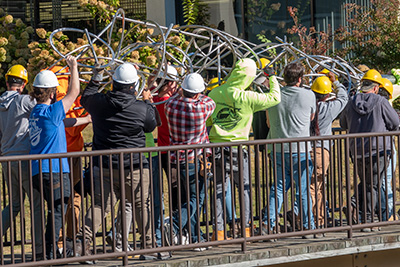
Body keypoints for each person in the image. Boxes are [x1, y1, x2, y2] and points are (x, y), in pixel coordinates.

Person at [77, 63, 159, 259]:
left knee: (99, 206)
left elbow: (85, 98)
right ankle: (148, 246)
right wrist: (148, 102)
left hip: (103, 164)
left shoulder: (99, 102)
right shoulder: (141, 108)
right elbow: (151, 126)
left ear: (113, 83)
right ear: (133, 86)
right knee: (141, 205)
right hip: (135, 165)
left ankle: (82, 244)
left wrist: (96, 77)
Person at [208, 58, 280, 240]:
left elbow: (208, 120)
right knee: (245, 189)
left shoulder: (215, 93)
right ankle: (246, 228)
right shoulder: (247, 97)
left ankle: (219, 231)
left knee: (218, 189)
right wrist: (271, 77)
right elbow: (275, 97)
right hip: (238, 148)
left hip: (216, 146)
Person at [29, 56, 88, 259]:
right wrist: (73, 67)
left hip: (38, 171)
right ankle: (51, 251)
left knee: (54, 210)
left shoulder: (37, 112)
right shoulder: (52, 110)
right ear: (53, 93)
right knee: (58, 211)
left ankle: (50, 249)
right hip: (53, 170)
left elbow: (62, 123)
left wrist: (86, 119)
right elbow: (75, 92)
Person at [340, 69, 399, 231]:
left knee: (369, 184)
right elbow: (395, 122)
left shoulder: (351, 101)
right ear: (376, 87)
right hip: (378, 150)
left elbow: (343, 124)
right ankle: (369, 220)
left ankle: (379, 215)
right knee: (372, 186)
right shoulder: (381, 101)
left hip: (357, 150)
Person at [262, 62, 316, 236]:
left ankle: (268, 223)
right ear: (300, 79)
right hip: (300, 149)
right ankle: (308, 225)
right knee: (302, 190)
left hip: (277, 147)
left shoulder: (274, 96)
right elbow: (311, 117)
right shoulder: (309, 95)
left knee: (277, 188)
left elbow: (268, 122)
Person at [164, 73, 215, 248]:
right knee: (196, 199)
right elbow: (210, 101)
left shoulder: (170, 105)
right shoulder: (201, 108)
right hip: (195, 159)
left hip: (176, 158)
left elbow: (178, 96)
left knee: (188, 199)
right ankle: (174, 224)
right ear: (197, 93)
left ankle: (195, 237)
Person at [0, 65, 43, 257]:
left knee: (15, 204)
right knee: (36, 204)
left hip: (7, 159)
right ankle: (39, 250)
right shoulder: (24, 100)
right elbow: (45, 110)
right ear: (24, 84)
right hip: (24, 158)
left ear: (8, 82)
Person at [50, 65, 90, 248]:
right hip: (68, 153)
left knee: (64, 198)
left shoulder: (55, 83)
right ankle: (66, 239)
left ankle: (65, 239)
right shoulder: (64, 99)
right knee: (68, 198)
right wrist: (88, 117)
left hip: (65, 153)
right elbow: (72, 128)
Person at [309, 74, 348, 229]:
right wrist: (336, 82)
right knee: (315, 187)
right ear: (327, 94)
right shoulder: (329, 108)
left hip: (305, 148)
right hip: (320, 150)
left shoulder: (307, 106)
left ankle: (316, 218)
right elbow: (344, 97)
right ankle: (314, 220)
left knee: (311, 186)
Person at [153, 65, 182, 211]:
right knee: (177, 189)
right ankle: (177, 223)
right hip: (173, 150)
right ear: (170, 83)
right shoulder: (170, 102)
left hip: (163, 149)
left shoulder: (155, 99)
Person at [377, 78, 396, 221]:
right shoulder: (384, 105)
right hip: (385, 147)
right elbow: (395, 123)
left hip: (372, 147)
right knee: (385, 181)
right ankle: (387, 214)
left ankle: (385, 212)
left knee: (377, 182)